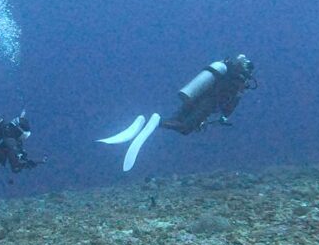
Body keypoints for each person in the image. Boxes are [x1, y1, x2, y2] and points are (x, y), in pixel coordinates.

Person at [97, 54, 256, 172]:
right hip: (208, 103)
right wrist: (224, 117)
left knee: (177, 119)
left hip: (194, 96)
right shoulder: (238, 81)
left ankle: (145, 121)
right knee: (186, 128)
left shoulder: (225, 70)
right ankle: (157, 122)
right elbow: (229, 106)